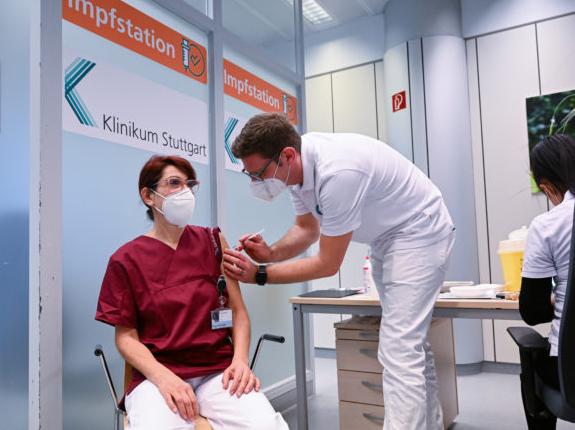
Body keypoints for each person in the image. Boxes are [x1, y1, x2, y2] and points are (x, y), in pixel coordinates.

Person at [223, 113, 456, 430]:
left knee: (400, 347)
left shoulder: (338, 172)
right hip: (385, 239)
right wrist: (271, 254)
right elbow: (306, 229)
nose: (256, 183)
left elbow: (326, 264)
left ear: (286, 156)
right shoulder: (296, 171)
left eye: (259, 174)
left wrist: (259, 275)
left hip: (420, 232)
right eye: (250, 175)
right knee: (410, 344)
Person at [95, 155, 288, 430]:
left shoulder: (212, 241)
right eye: (174, 183)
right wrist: (164, 378)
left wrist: (241, 361)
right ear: (148, 196)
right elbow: (126, 338)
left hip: (218, 372)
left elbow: (238, 313)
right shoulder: (125, 260)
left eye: (189, 184)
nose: (184, 192)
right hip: (158, 375)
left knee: (267, 426)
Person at [518, 134, 575, 429]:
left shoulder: (548, 225)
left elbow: (533, 311)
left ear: (547, 187)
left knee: (535, 363)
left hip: (570, 369)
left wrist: (557, 298)